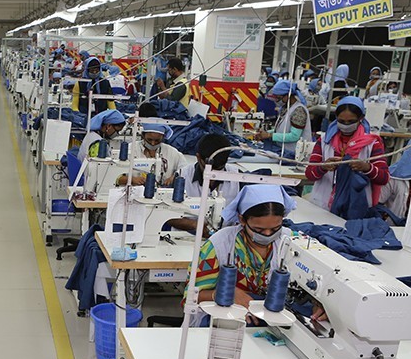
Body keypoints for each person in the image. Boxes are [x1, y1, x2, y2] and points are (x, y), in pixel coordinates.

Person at [183, 185, 302, 326]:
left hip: (273, 324)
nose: (268, 235)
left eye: (276, 229)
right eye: (259, 229)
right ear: (242, 220)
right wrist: (224, 294)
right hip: (224, 322)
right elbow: (191, 297)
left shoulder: (293, 243)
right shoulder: (218, 245)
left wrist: (322, 304)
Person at [306, 96, 389, 213]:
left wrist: (367, 167)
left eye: (351, 122)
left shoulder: (372, 142)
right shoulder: (325, 140)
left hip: (356, 206)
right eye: (341, 121)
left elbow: (384, 178)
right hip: (323, 205)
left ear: (361, 118)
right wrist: (323, 167)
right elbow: (310, 174)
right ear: (336, 118)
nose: (345, 125)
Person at [170, 133, 241, 233]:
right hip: (184, 237)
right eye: (209, 170)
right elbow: (167, 215)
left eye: (219, 170)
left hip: (225, 239)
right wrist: (195, 225)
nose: (213, 176)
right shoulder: (181, 177)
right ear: (198, 158)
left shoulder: (238, 178)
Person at [255, 79, 312, 160]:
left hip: (294, 154)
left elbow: (294, 136)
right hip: (284, 151)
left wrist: (270, 135)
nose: (277, 101)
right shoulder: (286, 108)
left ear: (288, 95)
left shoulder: (299, 110)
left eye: (279, 98)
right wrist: (265, 133)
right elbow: (281, 129)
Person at [116, 124, 190, 186]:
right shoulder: (130, 149)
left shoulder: (172, 152)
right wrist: (131, 180)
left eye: (157, 140)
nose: (153, 143)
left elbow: (186, 170)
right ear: (143, 135)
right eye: (149, 140)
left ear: (163, 138)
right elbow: (115, 177)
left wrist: (174, 177)